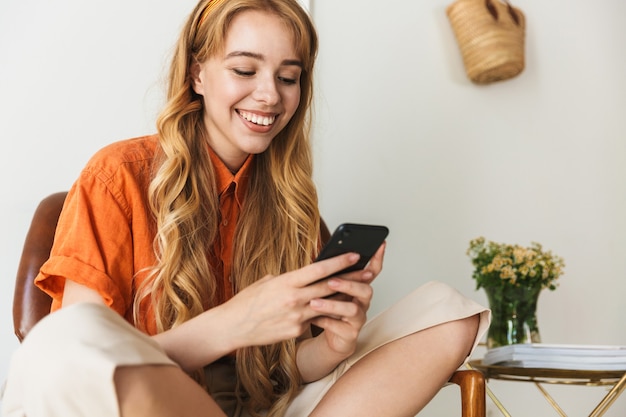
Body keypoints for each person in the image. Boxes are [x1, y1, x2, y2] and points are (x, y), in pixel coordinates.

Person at [2, 0, 490, 416]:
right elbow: (84, 364)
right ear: (197, 73)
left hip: (263, 409)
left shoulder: (292, 201)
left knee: (450, 312)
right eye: (244, 69)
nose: (269, 94)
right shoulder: (117, 174)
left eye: (289, 77)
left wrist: (330, 348)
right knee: (71, 334)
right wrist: (232, 323)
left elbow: (278, 375)